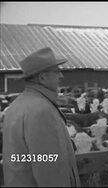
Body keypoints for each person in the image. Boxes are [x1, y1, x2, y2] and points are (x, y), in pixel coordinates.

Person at [2, 47, 81, 187]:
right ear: (42, 77)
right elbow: (50, 169)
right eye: (57, 71)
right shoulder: (41, 110)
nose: (61, 76)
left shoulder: (16, 106)